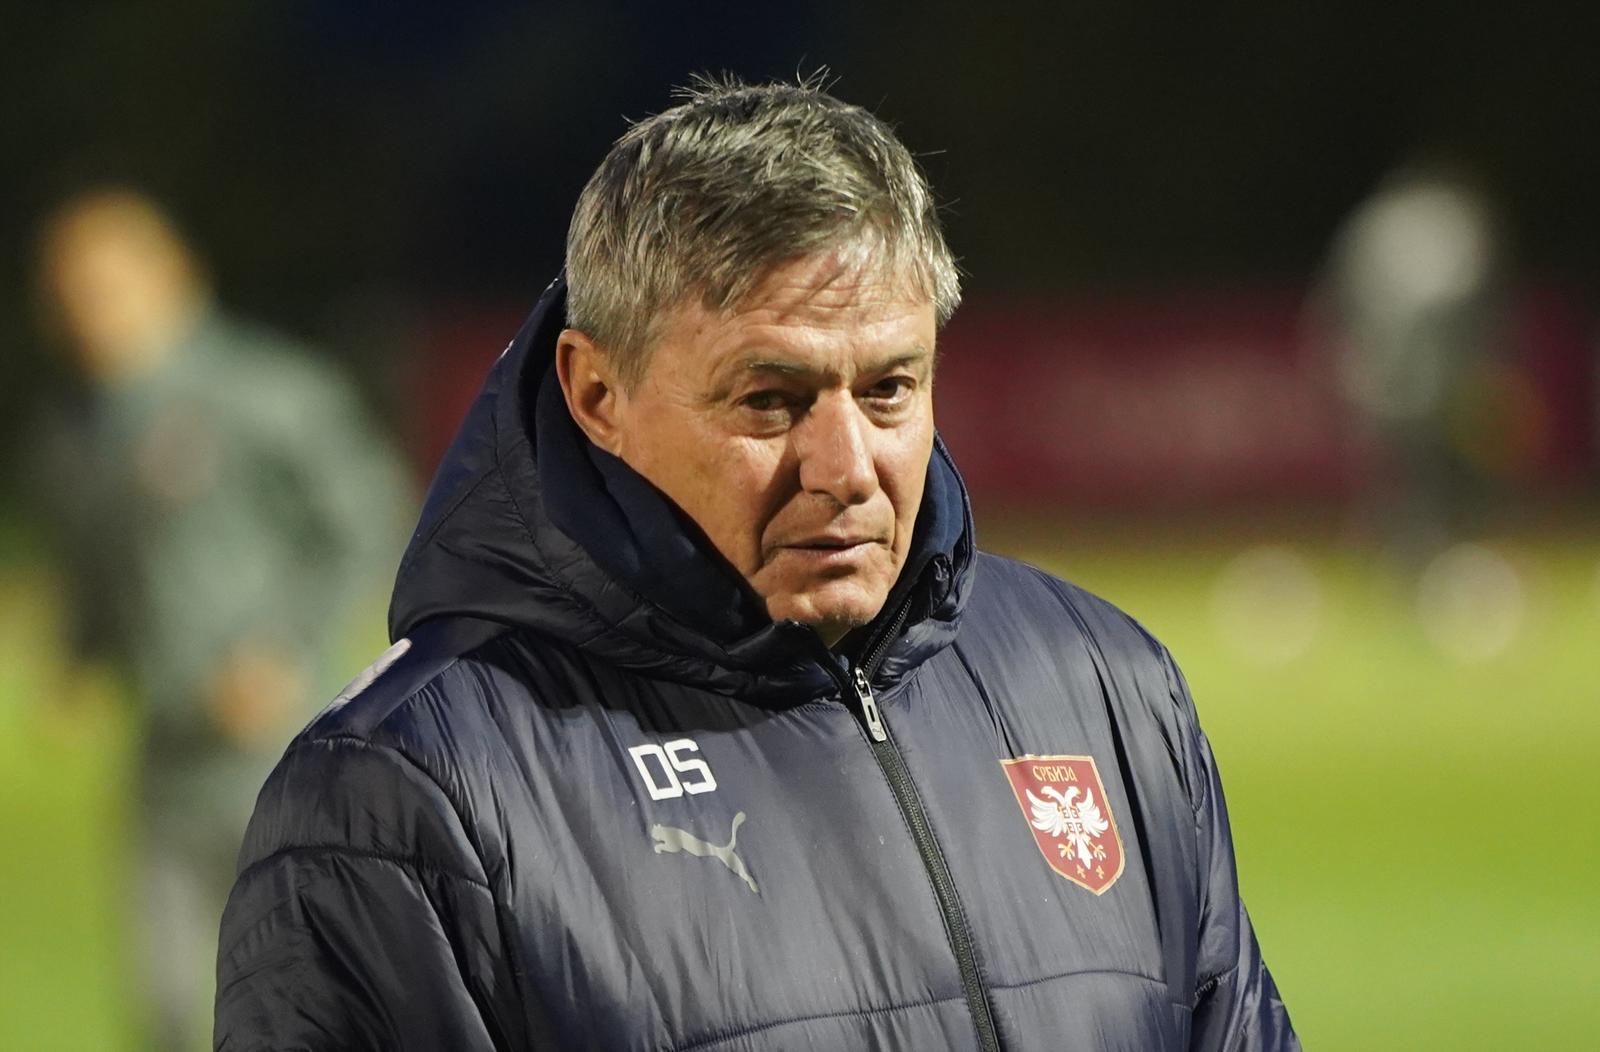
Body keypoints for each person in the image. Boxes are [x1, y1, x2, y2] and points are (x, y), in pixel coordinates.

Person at [215, 79, 1298, 1051]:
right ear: (597, 394)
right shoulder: (405, 797)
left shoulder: (1105, 686)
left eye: (889, 390)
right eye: (770, 400)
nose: (844, 467)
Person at [32, 187, 412, 1051]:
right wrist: (79, 658)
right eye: (70, 290)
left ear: (172, 273)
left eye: (108, 281)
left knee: (291, 998)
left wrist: (287, 648)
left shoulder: (267, 393)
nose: (90, 309)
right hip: (163, 759)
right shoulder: (76, 432)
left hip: (277, 753)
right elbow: (98, 570)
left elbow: (366, 520)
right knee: (168, 1004)